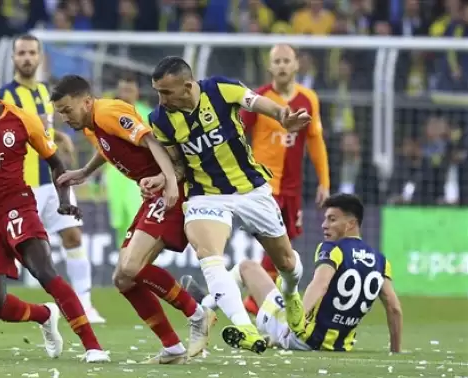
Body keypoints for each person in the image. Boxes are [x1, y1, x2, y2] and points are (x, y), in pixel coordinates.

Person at [0, 59, 109, 363]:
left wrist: (64, 199)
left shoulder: (22, 119)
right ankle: (44, 315)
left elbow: (56, 163)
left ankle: (93, 347)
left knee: (45, 272)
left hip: (16, 206)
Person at [148, 56, 310, 354]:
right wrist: (164, 178)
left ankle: (291, 294)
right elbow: (179, 165)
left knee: (287, 263)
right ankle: (244, 327)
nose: (161, 99)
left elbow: (258, 103)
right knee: (208, 256)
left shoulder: (221, 89)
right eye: (158, 92)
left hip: (250, 190)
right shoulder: (160, 120)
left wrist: (281, 116)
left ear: (187, 86)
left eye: (166, 92)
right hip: (206, 195)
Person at [52, 75, 216, 364]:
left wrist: (170, 181)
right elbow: (106, 148)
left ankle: (197, 313)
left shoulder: (108, 112)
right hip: (154, 194)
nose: (65, 118)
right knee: (123, 279)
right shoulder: (92, 124)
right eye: (60, 113)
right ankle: (173, 348)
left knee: (131, 267)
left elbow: (151, 141)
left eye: (67, 110)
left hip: (171, 189)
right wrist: (85, 173)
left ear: (86, 102)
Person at [0, 34, 106, 324]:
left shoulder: (44, 91)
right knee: (13, 247)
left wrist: (59, 137)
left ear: (40, 57)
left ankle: (85, 304)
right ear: (13, 58)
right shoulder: (2, 96)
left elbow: (40, 131)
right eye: (21, 53)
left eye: (31, 52)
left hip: (52, 179)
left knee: (73, 236)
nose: (27, 58)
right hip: (22, 185)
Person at [204, 44, 331, 315]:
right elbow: (236, 132)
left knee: (284, 250)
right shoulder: (259, 100)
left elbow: (315, 141)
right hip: (264, 186)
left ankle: (239, 299)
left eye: (287, 60)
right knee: (277, 247)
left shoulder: (308, 99)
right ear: (270, 67)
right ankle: (250, 300)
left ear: (296, 65)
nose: (282, 65)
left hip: (292, 189)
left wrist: (324, 181)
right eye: (277, 61)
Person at [233, 194, 403, 352]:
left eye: (332, 219)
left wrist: (296, 323)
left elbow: (320, 285)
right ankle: (272, 335)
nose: (324, 225)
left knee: (247, 268)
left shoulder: (333, 249)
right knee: (281, 287)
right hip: (340, 346)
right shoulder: (381, 261)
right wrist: (395, 351)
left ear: (351, 224)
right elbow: (394, 308)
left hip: (302, 338)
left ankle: (227, 313)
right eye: (325, 219)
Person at [104, 74, 150, 247]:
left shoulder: (146, 114)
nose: (126, 93)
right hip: (115, 174)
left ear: (137, 91)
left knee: (137, 217)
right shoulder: (108, 113)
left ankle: (141, 259)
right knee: (120, 223)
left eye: (129, 89)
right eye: (123, 89)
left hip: (139, 175)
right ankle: (124, 258)